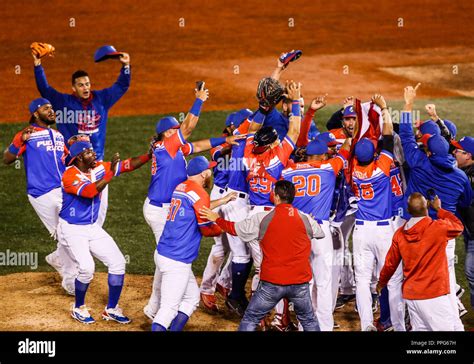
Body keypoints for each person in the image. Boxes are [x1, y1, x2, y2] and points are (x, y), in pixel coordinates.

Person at [142, 85, 244, 320]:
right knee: (169, 257)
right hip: (160, 210)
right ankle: (162, 305)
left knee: (164, 257)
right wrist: (199, 101)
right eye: (174, 130)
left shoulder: (174, 149)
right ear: (167, 134)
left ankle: (156, 304)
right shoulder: (164, 147)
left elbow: (197, 145)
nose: (179, 131)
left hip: (167, 206)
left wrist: (225, 139)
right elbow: (188, 128)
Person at [200, 180, 325, 331]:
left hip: (271, 284)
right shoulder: (305, 218)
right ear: (293, 197)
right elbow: (319, 232)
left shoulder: (262, 218)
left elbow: (235, 229)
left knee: (251, 319)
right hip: (299, 284)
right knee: (309, 321)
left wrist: (217, 218)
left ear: (276, 197)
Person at [399, 84, 471, 331]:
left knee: (420, 281)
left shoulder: (420, 162)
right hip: (446, 236)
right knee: (446, 283)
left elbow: (406, 135)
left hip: (418, 233)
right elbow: (465, 202)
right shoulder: (460, 177)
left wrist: (408, 104)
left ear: (429, 150)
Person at [33, 47, 131, 227]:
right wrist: (38, 64)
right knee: (71, 205)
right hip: (73, 165)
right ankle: (66, 240)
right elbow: (45, 90)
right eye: (80, 85)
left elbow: (122, 86)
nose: (85, 87)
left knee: (100, 208)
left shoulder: (101, 99)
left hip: (97, 163)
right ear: (73, 88)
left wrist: (126, 66)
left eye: (87, 84)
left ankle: (93, 236)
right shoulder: (64, 103)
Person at [59, 141, 151, 324]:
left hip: (92, 228)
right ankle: (78, 308)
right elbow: (90, 191)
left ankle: (111, 309)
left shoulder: (98, 168)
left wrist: (148, 155)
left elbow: (128, 165)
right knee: (86, 268)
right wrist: (110, 174)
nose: (93, 154)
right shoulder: (70, 176)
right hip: (72, 229)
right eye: (88, 152)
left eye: (93, 150)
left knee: (117, 262)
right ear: (78, 158)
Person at [151, 156, 236, 331]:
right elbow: (207, 229)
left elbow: (198, 205)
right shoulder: (200, 194)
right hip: (177, 259)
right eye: (209, 169)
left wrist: (222, 200)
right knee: (168, 309)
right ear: (204, 173)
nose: (211, 171)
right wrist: (225, 227)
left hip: (165, 253)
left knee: (191, 299)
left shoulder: (181, 187)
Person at [3, 98, 76, 294]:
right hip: (41, 193)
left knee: (69, 230)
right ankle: (70, 281)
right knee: (65, 233)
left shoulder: (58, 135)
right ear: (36, 113)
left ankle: (58, 258)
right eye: (46, 108)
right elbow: (7, 159)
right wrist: (20, 141)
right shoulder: (28, 134)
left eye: (52, 108)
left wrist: (76, 148)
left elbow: (68, 160)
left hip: (63, 190)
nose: (51, 111)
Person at [282, 134, 351, 331]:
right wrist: (349, 137)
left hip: (297, 230)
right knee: (324, 281)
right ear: (321, 155)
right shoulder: (328, 168)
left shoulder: (288, 171)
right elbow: (345, 150)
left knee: (304, 281)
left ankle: (306, 326)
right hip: (320, 231)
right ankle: (325, 326)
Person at [351, 94, 404, 331]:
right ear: (373, 155)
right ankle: (397, 325)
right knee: (393, 280)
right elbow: (388, 135)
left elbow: (359, 145)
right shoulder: (381, 168)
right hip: (383, 232)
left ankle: (366, 326)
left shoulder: (354, 171)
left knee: (362, 281)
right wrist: (384, 108)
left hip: (360, 231)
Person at [377, 193, 464, 331]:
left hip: (412, 298)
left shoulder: (400, 234)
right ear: (427, 208)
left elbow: (390, 264)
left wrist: (381, 283)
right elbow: (458, 226)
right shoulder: (438, 228)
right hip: (434, 295)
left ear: (408, 211)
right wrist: (439, 209)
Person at [452, 136, 474, 309]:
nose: (454, 153)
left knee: (471, 271)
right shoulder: (465, 170)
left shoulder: (470, 176)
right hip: (469, 232)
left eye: (458, 151)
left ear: (468, 155)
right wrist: (436, 120)